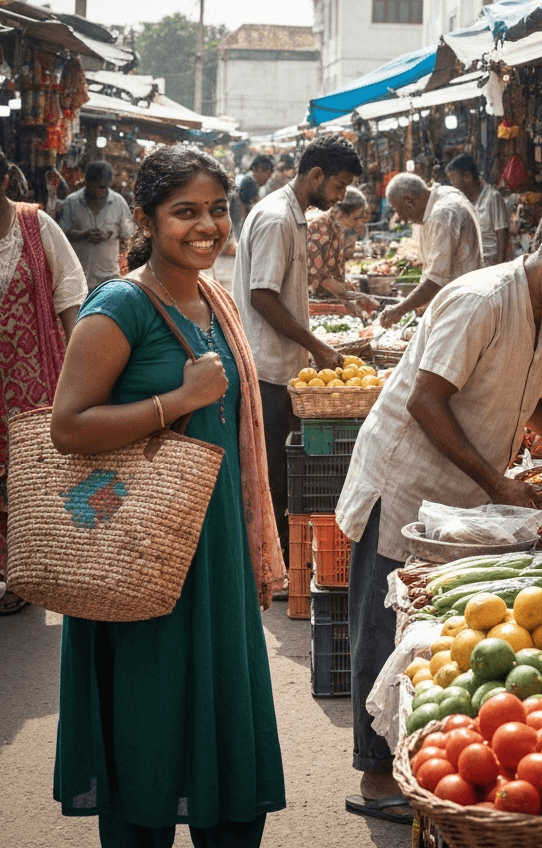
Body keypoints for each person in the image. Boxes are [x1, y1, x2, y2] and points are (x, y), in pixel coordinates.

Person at [337, 214, 542, 823]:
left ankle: (414, 758)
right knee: (382, 614)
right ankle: (373, 775)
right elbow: (426, 399)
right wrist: (497, 481)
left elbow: (539, 399)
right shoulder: (480, 301)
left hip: (464, 491)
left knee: (426, 624)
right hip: (408, 479)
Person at [49, 146, 286, 846]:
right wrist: (174, 400)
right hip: (144, 553)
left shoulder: (212, 298)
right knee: (148, 722)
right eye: (185, 212)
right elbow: (68, 426)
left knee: (218, 711)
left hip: (214, 552)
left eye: (217, 209)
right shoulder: (121, 303)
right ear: (147, 217)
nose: (207, 225)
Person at [233, 133, 362, 569]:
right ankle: (266, 566)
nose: (341, 196)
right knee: (269, 477)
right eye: (339, 186)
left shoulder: (294, 215)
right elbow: (262, 297)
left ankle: (278, 560)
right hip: (266, 367)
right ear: (316, 174)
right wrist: (317, 346)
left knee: (282, 475)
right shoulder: (276, 219)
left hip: (284, 368)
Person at [0, 150, 87, 616]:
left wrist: (87, 366)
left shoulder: (36, 227)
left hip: (33, 379)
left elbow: (70, 293)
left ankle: (23, 576)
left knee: (28, 477)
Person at [378, 174, 483, 329]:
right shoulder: (443, 194)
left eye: (397, 209)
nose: (400, 218)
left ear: (409, 201)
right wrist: (420, 301)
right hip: (462, 298)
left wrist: (399, 310)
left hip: (461, 305)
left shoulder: (441, 214)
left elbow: (435, 280)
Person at [60, 160, 135, 291]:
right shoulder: (71, 203)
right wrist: (82, 235)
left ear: (109, 185)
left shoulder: (118, 203)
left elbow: (128, 235)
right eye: (92, 186)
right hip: (77, 276)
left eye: (101, 187)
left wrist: (111, 234)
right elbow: (59, 236)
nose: (96, 192)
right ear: (86, 182)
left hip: (108, 277)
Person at [306, 186, 379, 316]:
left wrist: (348, 298)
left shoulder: (336, 227)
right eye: (356, 218)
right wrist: (356, 297)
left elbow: (331, 273)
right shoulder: (319, 227)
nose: (358, 224)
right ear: (340, 212)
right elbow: (322, 277)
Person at [445, 153, 511, 266]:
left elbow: (502, 236)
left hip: (490, 264)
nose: (452, 185)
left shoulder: (492, 198)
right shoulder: (462, 200)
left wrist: (500, 267)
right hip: (471, 266)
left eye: (453, 181)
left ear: (467, 177)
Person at [231, 155, 273, 237]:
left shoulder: (250, 180)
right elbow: (243, 206)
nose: (269, 177)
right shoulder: (250, 182)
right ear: (260, 170)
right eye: (268, 173)